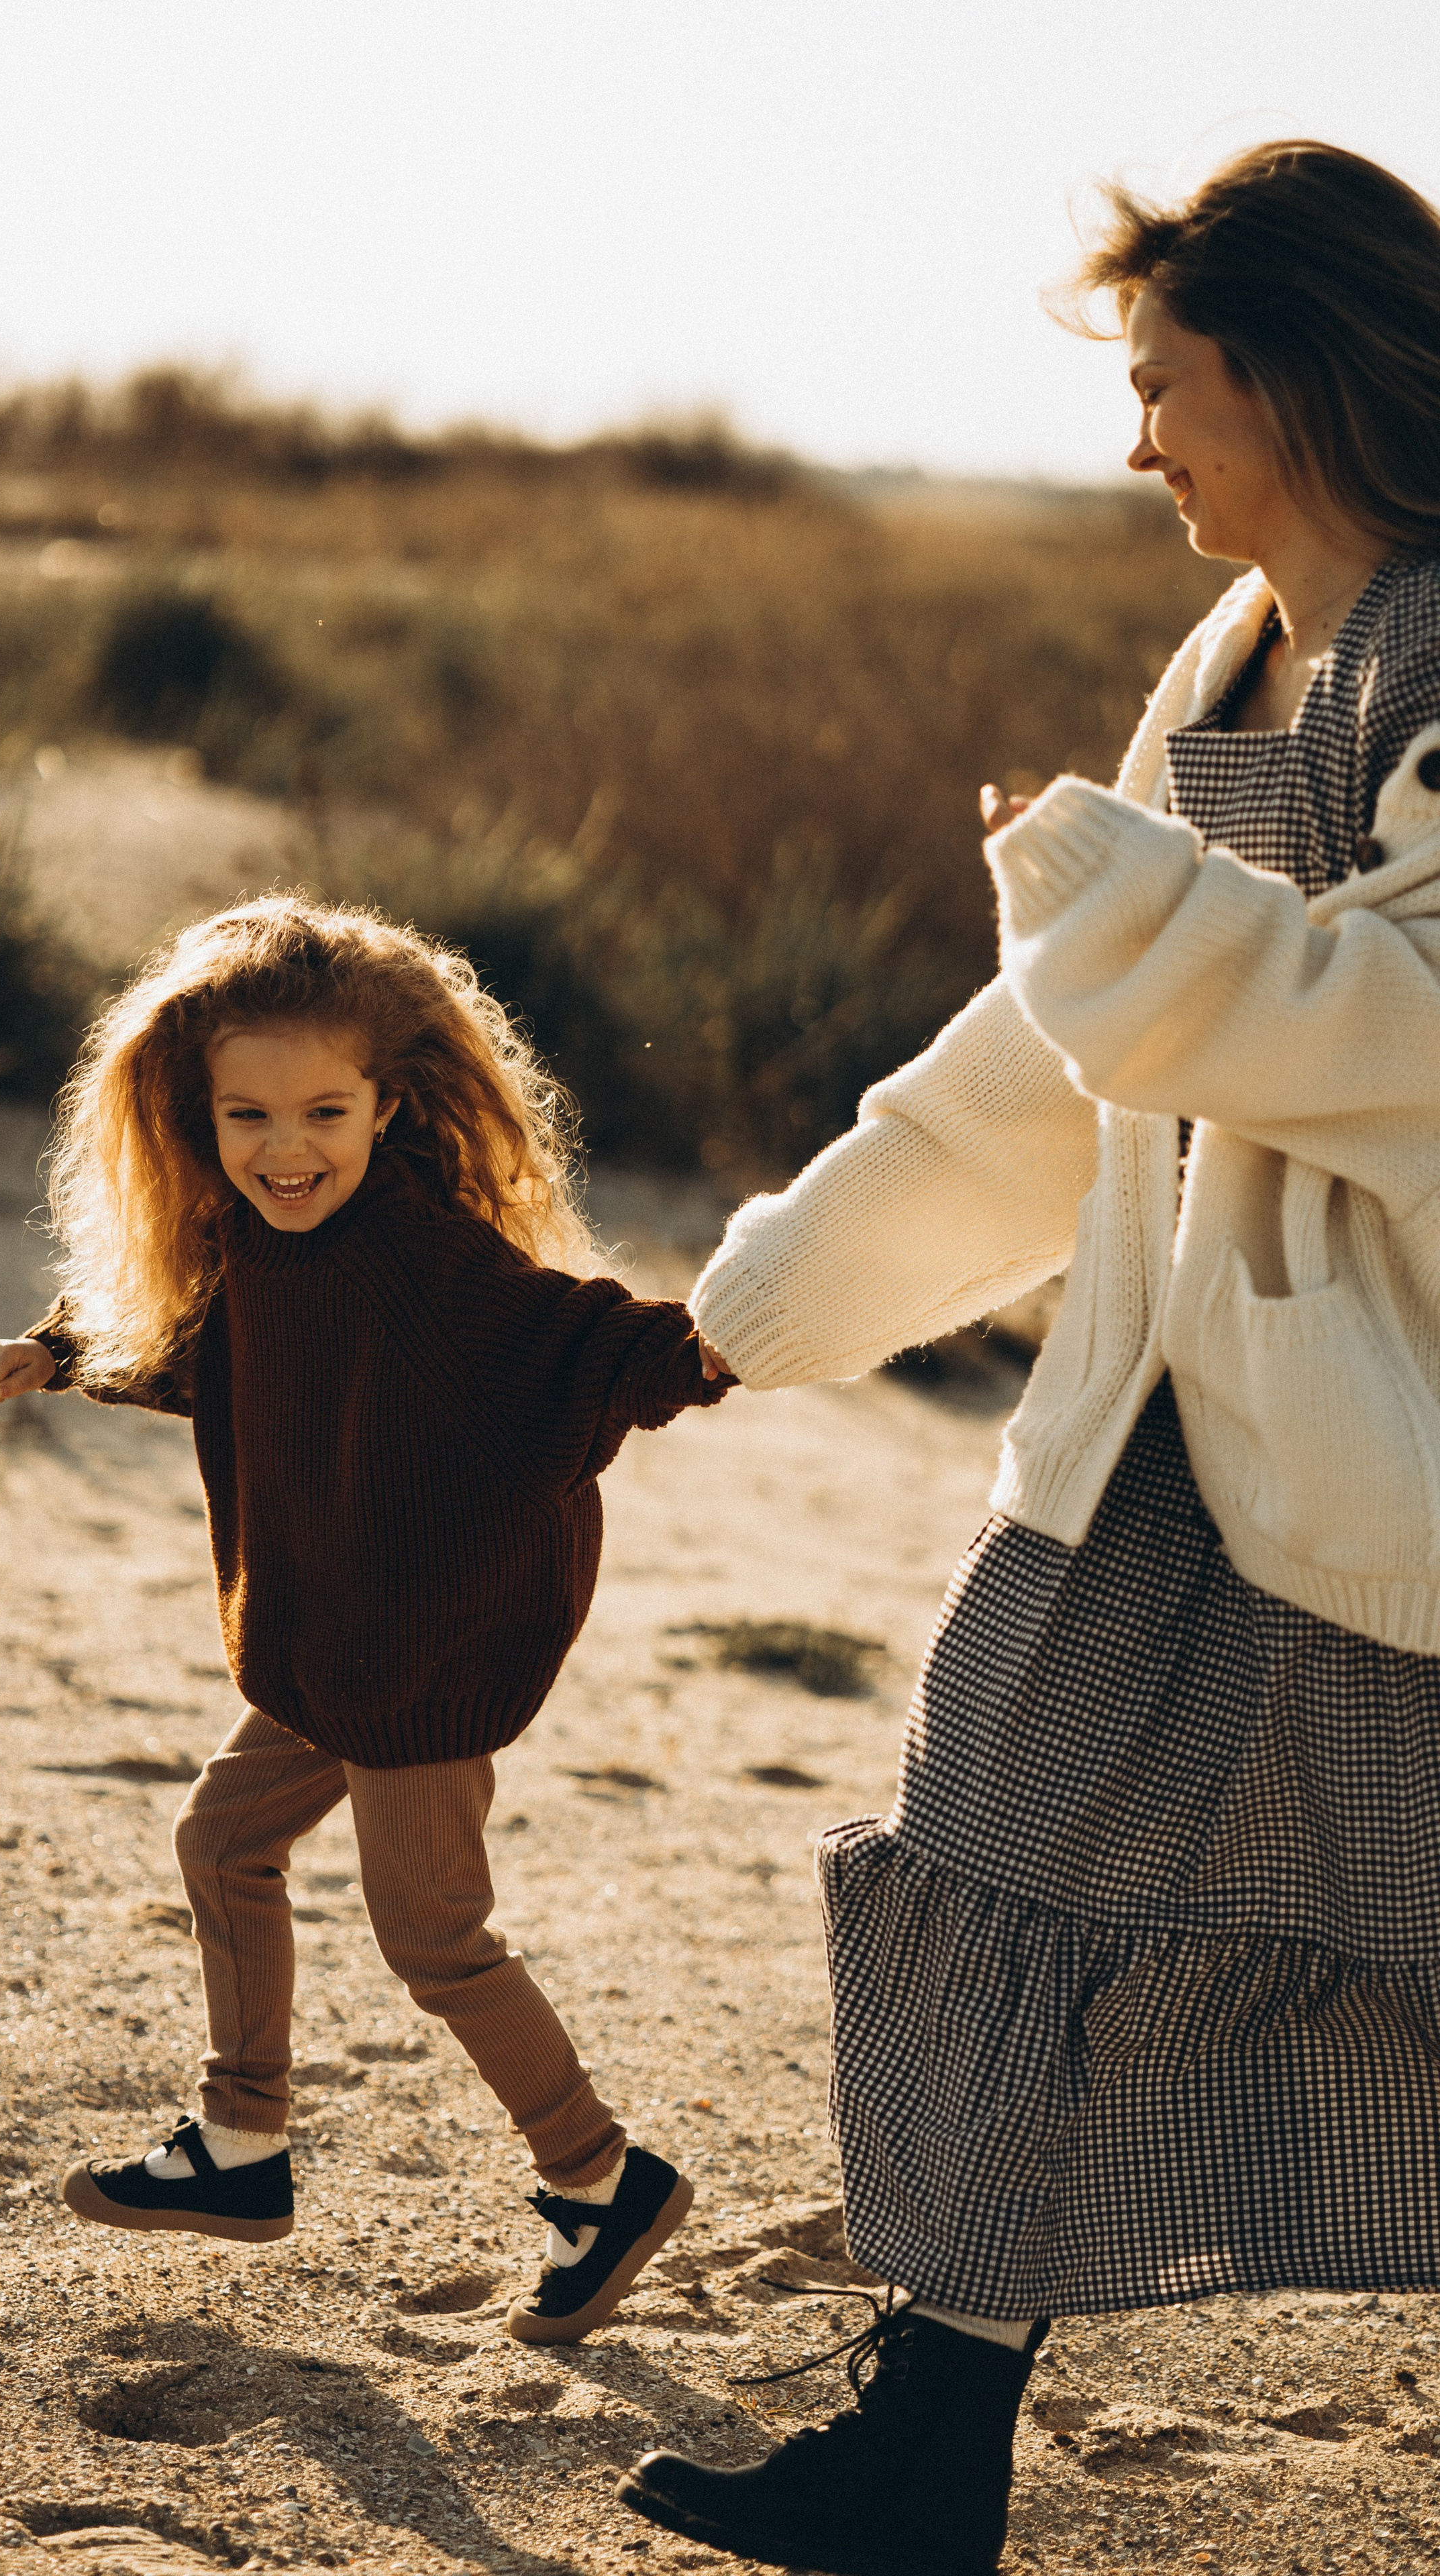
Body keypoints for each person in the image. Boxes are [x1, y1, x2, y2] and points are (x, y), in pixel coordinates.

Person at [616, 139, 1440, 2576]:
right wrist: (766, 1301)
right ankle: (924, 2449)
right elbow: (1062, 1056)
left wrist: (1116, 903)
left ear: (1297, 374)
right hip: (1189, 1420)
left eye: (1169, 387)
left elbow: (1410, 1029)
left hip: (1395, 1439)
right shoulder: (1238, 661)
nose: (1134, 444)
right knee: (999, 1818)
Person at [0, 892, 729, 2343]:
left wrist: (731, 1329)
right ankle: (242, 2149)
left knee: (434, 1935)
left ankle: (598, 2176)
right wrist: (66, 1351)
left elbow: (579, 1344)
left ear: (391, 1104)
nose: (286, 1148)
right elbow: (208, 1351)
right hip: (335, 1642)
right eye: (246, 1116)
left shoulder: (422, 1257)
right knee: (223, 1841)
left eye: (325, 1111)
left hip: (428, 1648)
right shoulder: (264, 1243)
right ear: (195, 1119)